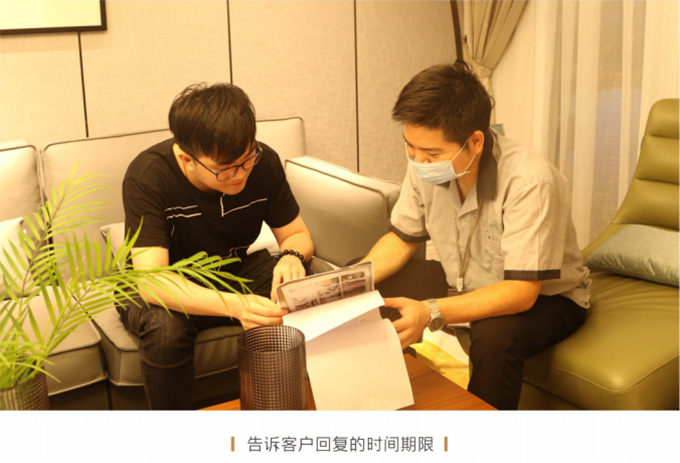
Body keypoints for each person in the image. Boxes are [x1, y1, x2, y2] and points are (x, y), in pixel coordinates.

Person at [362, 62, 590, 410]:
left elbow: (521, 293)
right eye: (410, 148)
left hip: (547, 299)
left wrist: (431, 310)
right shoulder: (423, 164)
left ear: (476, 141)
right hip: (463, 282)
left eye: (432, 154)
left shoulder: (530, 181)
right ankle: (383, 398)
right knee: (364, 289)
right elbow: (402, 238)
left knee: (493, 335)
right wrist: (348, 281)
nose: (419, 162)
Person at [118, 82, 314, 409]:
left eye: (246, 160)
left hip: (231, 271)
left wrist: (291, 257)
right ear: (186, 158)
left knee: (308, 284)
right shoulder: (148, 176)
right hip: (160, 284)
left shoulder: (263, 162)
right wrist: (236, 306)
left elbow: (297, 235)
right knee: (166, 328)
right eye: (224, 169)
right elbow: (153, 281)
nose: (239, 175)